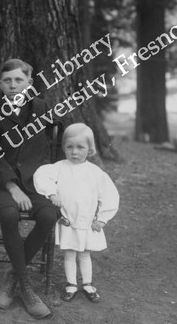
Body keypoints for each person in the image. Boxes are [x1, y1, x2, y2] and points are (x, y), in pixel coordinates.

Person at [0, 59, 60, 319]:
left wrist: (59, 177)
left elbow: (59, 135)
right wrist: (12, 186)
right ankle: (26, 287)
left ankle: (13, 275)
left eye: (19, 80)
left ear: (30, 83)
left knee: (49, 215)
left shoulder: (40, 107)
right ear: (0, 83)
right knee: (9, 214)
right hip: (1, 181)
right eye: (7, 81)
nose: (13, 86)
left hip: (34, 181)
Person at [33, 123, 119, 302]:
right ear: (63, 148)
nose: (74, 152)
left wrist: (102, 219)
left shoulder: (95, 173)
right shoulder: (59, 167)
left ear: (90, 149)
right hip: (68, 221)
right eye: (69, 147)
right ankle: (71, 284)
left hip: (86, 221)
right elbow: (41, 175)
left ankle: (87, 284)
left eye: (80, 147)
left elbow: (110, 195)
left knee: (85, 254)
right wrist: (51, 192)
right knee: (70, 254)